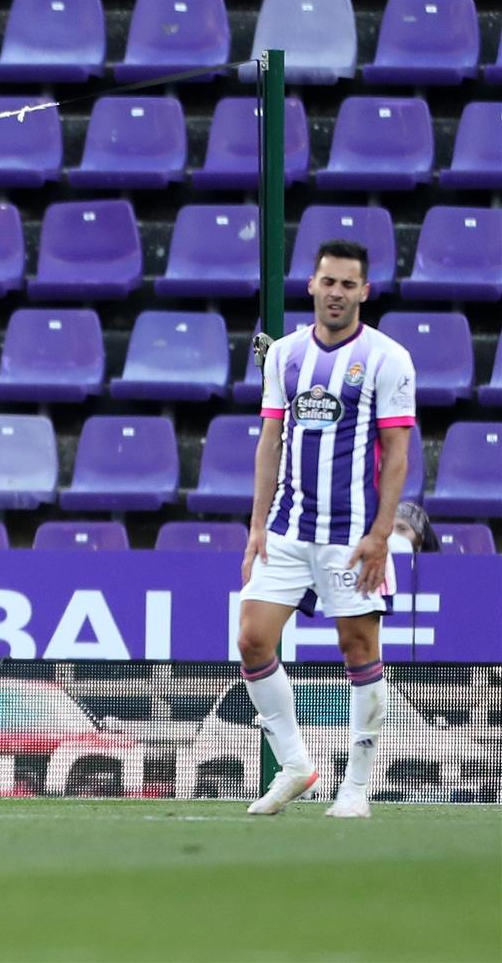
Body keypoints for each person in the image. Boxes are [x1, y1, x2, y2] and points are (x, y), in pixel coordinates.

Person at [238, 239, 416, 819]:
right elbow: (270, 440)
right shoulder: (285, 355)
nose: (336, 293)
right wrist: (256, 525)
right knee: (252, 639)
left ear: (364, 291)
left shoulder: (388, 358)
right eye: (328, 282)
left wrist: (380, 534)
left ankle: (357, 785)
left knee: (358, 647)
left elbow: (397, 451)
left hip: (351, 533)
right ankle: (296, 766)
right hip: (287, 526)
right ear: (310, 285)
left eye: (348, 284)